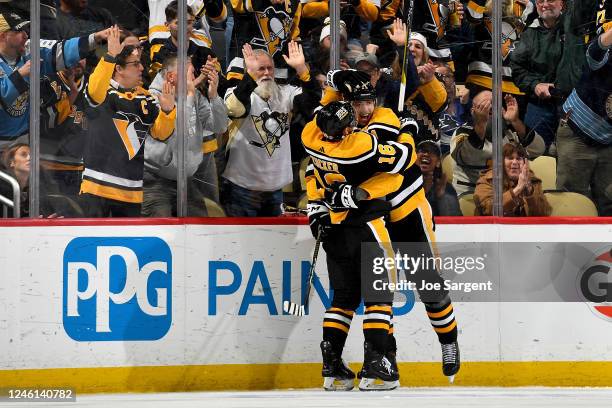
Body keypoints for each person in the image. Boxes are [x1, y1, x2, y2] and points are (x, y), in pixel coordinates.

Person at [317, 68, 461, 383]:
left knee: (429, 285)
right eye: (358, 103)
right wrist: (332, 82)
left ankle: (449, 341)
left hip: (407, 209)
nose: (365, 109)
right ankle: (385, 359)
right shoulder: (345, 128)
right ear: (346, 104)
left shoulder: (385, 118)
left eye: (370, 101)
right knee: (379, 292)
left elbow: (399, 160)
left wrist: (404, 126)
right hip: (374, 216)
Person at [302, 101, 410, 391]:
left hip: (333, 227)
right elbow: (402, 161)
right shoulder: (359, 146)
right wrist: (408, 129)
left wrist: (316, 210)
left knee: (343, 299)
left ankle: (332, 367)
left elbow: (312, 170)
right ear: (348, 129)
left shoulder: (309, 136)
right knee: (379, 296)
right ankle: (375, 367)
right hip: (365, 225)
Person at [79, 26, 176, 217]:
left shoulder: (146, 98)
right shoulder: (103, 89)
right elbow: (94, 94)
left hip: (132, 190)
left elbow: (161, 134)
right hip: (97, 186)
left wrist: (167, 111)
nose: (141, 68)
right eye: (135, 64)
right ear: (119, 69)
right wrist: (110, 56)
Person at [221, 41, 315, 216]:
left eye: (269, 68)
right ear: (248, 71)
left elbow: (311, 107)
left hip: (275, 188)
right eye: (260, 69)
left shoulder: (287, 92)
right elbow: (236, 109)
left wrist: (302, 70)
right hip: (242, 188)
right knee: (240, 241)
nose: (266, 73)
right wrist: (248, 78)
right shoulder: (235, 92)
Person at [0, 9, 109, 149]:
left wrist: (96, 38)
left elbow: (60, 50)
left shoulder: (28, 48)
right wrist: (20, 74)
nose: (26, 35)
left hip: (23, 139)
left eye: (26, 30)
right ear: (3, 36)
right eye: (19, 31)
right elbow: (3, 98)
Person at [143, 54, 228, 217]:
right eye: (190, 73)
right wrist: (189, 97)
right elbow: (178, 135)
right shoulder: (153, 98)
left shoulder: (194, 95)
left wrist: (214, 96)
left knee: (204, 225)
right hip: (156, 182)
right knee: (161, 228)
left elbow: (219, 126)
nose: (194, 78)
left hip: (185, 181)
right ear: (171, 77)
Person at [556, 19, 611, 216]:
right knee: (571, 203)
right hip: (576, 131)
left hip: (608, 142)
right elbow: (594, 53)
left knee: (609, 205)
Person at [451, 90, 545, 196]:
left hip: (506, 195)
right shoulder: (462, 133)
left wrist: (515, 121)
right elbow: (468, 157)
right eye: (483, 105)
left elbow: (538, 149)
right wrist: (481, 123)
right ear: (473, 111)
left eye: (495, 104)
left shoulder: (510, 135)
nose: (490, 107)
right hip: (469, 195)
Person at [474, 142, 552, 216]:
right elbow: (487, 209)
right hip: (494, 228)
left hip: (524, 228)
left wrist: (529, 190)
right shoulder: (488, 180)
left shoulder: (532, 181)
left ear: (525, 163)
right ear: (501, 162)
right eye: (510, 158)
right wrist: (517, 189)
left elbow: (543, 214)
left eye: (518, 159)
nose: (514, 162)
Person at [416, 140, 461, 216]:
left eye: (432, 152)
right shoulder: (402, 184)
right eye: (422, 151)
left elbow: (454, 223)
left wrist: (441, 198)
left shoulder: (446, 188)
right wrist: (423, 194)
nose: (426, 154)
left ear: (438, 163)